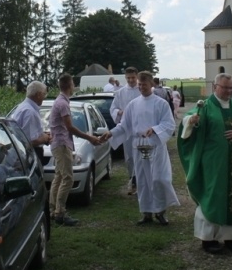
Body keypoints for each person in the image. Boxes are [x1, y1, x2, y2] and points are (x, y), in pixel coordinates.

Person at [177, 73, 232, 255]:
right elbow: (189, 118)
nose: (229, 91)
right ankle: (208, 239)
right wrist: (190, 121)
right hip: (213, 164)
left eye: (231, 88)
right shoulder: (206, 106)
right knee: (212, 197)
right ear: (215, 87)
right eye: (225, 88)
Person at [102, 71, 179, 225]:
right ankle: (146, 212)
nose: (142, 87)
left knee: (158, 178)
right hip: (139, 146)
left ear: (151, 84)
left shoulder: (161, 103)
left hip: (155, 146)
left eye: (144, 84)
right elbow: (124, 125)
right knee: (142, 180)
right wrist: (110, 133)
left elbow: (169, 124)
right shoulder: (133, 104)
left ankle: (160, 211)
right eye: (140, 84)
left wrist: (155, 129)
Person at [48, 73, 102, 226]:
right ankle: (60, 212)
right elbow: (70, 127)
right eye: (73, 84)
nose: (74, 86)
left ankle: (53, 209)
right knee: (68, 178)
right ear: (69, 86)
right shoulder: (63, 104)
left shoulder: (60, 101)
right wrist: (89, 137)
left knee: (59, 176)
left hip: (58, 143)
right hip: (62, 144)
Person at [110, 66, 141, 194]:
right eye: (128, 78)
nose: (131, 80)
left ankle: (140, 180)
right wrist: (119, 112)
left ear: (137, 76)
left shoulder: (142, 90)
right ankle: (132, 179)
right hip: (127, 129)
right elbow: (113, 108)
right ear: (125, 78)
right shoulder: (121, 92)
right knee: (129, 157)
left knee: (141, 155)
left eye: (133, 77)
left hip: (141, 128)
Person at [8, 81, 51, 161]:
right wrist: (46, 138)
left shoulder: (23, 107)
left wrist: (43, 134)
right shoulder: (29, 112)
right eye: (44, 94)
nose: (45, 97)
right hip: (29, 155)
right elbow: (29, 141)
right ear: (38, 94)